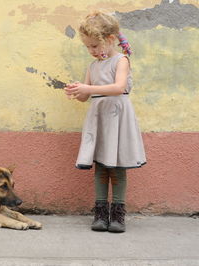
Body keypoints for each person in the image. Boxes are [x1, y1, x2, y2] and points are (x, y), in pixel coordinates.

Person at [65, 11, 146, 233]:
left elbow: (118, 87)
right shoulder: (93, 67)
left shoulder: (121, 60)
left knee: (117, 167)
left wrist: (88, 89)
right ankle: (100, 214)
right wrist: (76, 91)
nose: (91, 51)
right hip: (99, 119)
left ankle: (118, 216)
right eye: (88, 47)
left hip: (117, 117)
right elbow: (86, 95)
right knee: (101, 166)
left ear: (110, 39)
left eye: (94, 46)